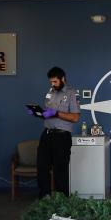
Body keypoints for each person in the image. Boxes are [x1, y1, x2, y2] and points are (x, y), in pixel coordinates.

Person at [32, 66, 80, 197]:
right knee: (42, 167)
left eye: (55, 82)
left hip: (62, 137)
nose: (52, 84)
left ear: (62, 79)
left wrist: (57, 113)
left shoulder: (71, 93)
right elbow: (48, 112)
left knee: (60, 171)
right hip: (46, 134)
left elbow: (75, 117)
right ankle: (44, 198)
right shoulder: (50, 92)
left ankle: (61, 201)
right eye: (51, 82)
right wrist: (40, 113)